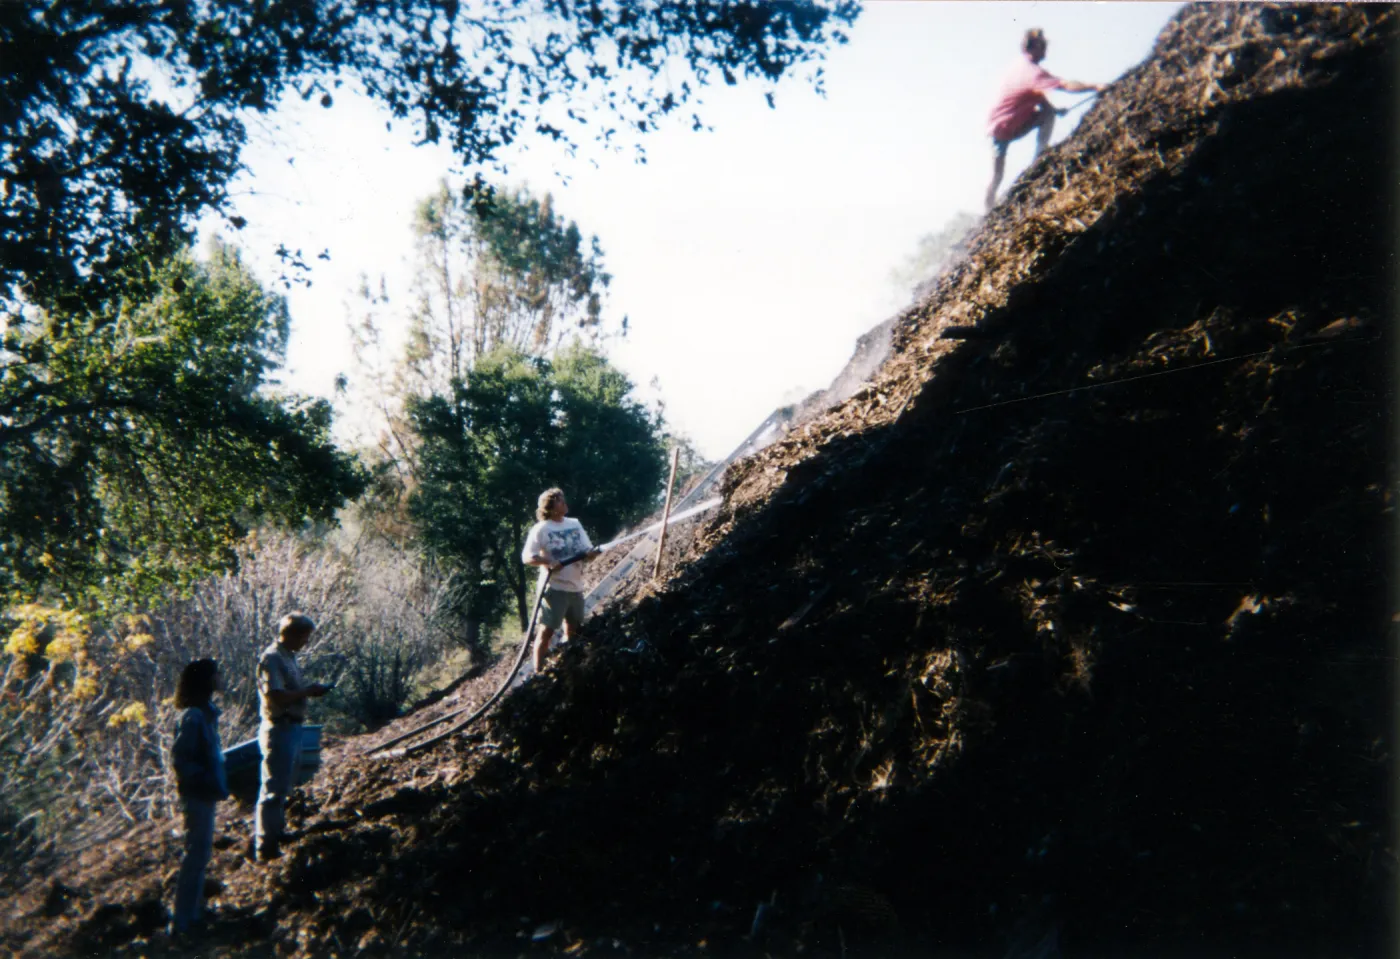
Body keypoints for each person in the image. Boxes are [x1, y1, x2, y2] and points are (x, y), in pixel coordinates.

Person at [985, 28, 1102, 211]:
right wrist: (1095, 86)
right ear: (1031, 48)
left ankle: (987, 211)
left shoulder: (1020, 66)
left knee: (997, 176)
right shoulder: (1034, 72)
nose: (1045, 48)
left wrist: (1053, 110)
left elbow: (1035, 94)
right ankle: (1039, 158)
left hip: (996, 127)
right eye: (1042, 45)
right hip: (1005, 127)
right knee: (998, 175)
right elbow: (1065, 85)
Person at [253, 612, 329, 862]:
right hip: (279, 728)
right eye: (304, 637)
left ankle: (277, 835)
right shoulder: (272, 658)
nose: (305, 642)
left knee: (284, 786)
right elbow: (276, 695)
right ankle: (265, 846)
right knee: (273, 789)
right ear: (292, 634)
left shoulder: (288, 657)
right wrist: (307, 691)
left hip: (292, 727)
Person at [170, 658, 229, 936]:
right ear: (206, 680)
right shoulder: (193, 717)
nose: (220, 678)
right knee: (195, 854)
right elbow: (182, 761)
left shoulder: (206, 713)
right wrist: (206, 782)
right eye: (216, 674)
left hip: (205, 794)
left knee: (201, 853)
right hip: (197, 796)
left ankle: (193, 914)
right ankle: (182, 922)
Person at [521, 488, 601, 673]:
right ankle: (538, 671)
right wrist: (548, 561)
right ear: (549, 507)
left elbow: (587, 553)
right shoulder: (541, 528)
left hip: (575, 587)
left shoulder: (574, 523)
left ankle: (569, 665)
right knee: (546, 631)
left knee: (574, 630)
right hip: (554, 589)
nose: (564, 502)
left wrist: (591, 554)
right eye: (559, 500)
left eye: (563, 499)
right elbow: (527, 557)